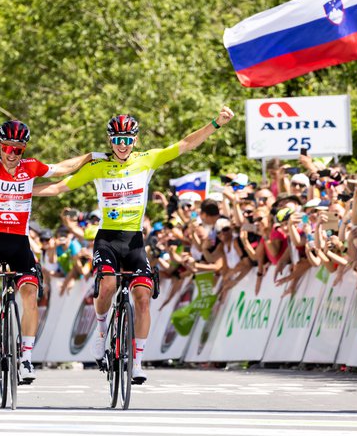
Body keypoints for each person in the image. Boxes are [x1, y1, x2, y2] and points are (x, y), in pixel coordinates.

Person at [34, 106, 235, 383]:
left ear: (135, 141)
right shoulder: (99, 165)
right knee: (107, 285)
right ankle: (102, 333)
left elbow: (185, 144)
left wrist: (215, 124)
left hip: (134, 241)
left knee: (142, 298)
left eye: (127, 139)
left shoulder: (147, 160)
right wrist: (17, 191)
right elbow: (58, 188)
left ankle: (137, 362)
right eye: (117, 140)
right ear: (110, 141)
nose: (122, 145)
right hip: (107, 239)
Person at [0, 100, 97, 382]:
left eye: (17, 150)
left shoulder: (30, 168)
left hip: (19, 242)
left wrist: (89, 156)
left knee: (31, 294)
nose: (12, 154)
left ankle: (27, 357)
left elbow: (63, 168)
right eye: (7, 148)